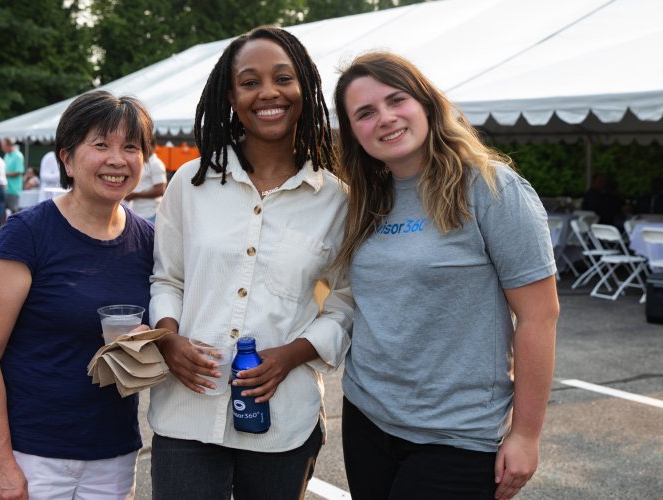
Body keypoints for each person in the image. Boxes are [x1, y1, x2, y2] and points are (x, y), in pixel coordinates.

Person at [332, 52, 559, 500]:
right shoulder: (363, 199)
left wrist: (526, 434)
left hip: (456, 435)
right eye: (365, 113)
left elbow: (540, 317)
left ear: (427, 103)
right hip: (366, 419)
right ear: (353, 132)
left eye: (397, 100)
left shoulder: (491, 188)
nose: (386, 118)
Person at [148, 26, 353, 500]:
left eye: (283, 78)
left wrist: (291, 355)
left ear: (305, 87)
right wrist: (169, 338)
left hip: (284, 418)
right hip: (187, 411)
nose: (268, 93)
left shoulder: (335, 201)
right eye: (249, 81)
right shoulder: (190, 184)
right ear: (230, 96)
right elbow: (168, 277)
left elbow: (339, 301)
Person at [0, 90, 156, 500]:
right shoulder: (28, 234)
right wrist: (0, 464)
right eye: (100, 145)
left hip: (112, 456)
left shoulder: (150, 241)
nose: (117, 159)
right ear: (67, 158)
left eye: (131, 147)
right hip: (29, 454)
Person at [122, 152, 166, 222]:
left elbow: (160, 190)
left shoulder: (156, 164)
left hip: (150, 213)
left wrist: (135, 195)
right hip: (137, 211)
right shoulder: (142, 162)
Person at [0, 138, 25, 214]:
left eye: (3, 146)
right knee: (2, 211)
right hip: (5, 188)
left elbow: (18, 172)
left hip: (14, 190)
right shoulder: (6, 155)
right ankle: (2, 226)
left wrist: (3, 174)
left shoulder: (18, 156)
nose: (1, 148)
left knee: (14, 212)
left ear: (9, 145)